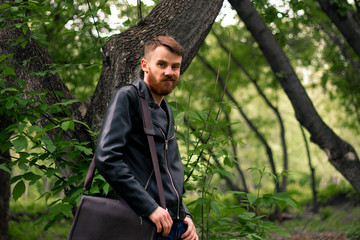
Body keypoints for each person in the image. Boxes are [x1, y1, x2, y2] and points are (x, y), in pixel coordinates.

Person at [95, 36, 198, 240]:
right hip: (144, 222)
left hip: (174, 224)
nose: (169, 72)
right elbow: (107, 159)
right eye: (162, 64)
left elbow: (166, 172)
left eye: (175, 66)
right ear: (145, 65)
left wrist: (184, 213)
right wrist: (150, 207)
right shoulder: (128, 97)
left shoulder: (166, 110)